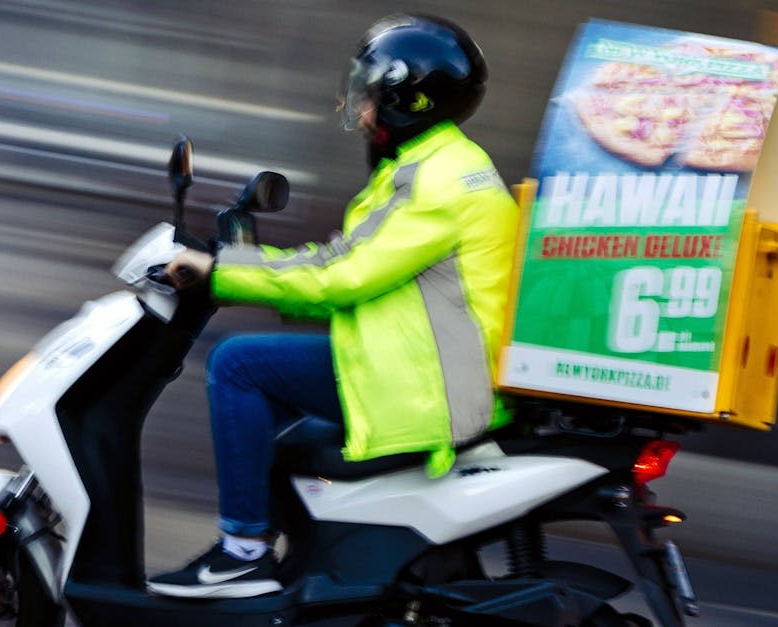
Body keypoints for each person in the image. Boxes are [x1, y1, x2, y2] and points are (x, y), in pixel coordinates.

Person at [145, 14, 517, 599]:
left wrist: (221, 275)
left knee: (237, 365)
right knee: (282, 435)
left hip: (427, 385)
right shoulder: (435, 165)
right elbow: (346, 256)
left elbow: (340, 277)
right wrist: (240, 260)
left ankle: (242, 554)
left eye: (371, 92)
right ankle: (310, 571)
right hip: (420, 367)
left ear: (405, 100)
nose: (360, 106)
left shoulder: (438, 182)